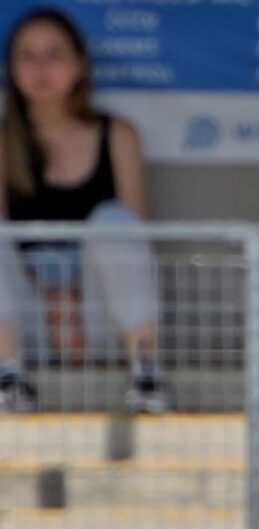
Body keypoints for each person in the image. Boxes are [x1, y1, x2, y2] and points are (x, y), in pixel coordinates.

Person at [0, 7, 169, 413]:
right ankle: (8, 378)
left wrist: (74, 301)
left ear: (79, 65)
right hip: (28, 326)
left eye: (53, 54)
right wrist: (54, 302)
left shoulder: (117, 135)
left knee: (114, 220)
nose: (40, 68)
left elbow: (136, 244)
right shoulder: (4, 142)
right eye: (27, 56)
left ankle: (146, 375)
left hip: (102, 320)